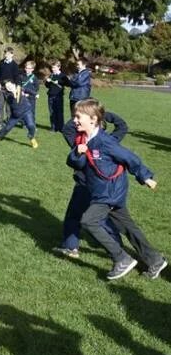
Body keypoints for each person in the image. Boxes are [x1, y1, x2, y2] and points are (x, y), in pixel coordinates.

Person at [69, 98, 167, 280]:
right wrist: (77, 153)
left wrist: (145, 176)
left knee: (89, 221)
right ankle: (155, 260)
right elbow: (73, 162)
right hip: (100, 190)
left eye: (77, 116)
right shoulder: (83, 139)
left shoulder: (105, 142)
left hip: (110, 192)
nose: (74, 120)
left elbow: (130, 158)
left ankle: (121, 258)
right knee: (127, 227)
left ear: (92, 119)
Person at [54, 107, 126, 259]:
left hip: (84, 184)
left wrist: (91, 113)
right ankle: (117, 244)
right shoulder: (110, 141)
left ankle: (70, 247)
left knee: (74, 216)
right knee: (102, 217)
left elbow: (67, 128)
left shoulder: (79, 141)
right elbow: (122, 126)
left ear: (93, 122)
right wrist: (101, 114)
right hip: (104, 186)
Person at [0, 81, 38, 148]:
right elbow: (13, 100)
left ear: (14, 84)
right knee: (7, 128)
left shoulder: (20, 88)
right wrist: (18, 94)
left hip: (26, 111)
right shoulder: (8, 95)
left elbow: (27, 90)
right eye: (7, 87)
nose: (9, 87)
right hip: (16, 114)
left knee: (31, 125)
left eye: (10, 85)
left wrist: (35, 94)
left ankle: (32, 138)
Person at [0, 47, 19, 128]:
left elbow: (16, 78)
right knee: (0, 105)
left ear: (12, 54)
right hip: (1, 88)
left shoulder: (15, 65)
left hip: (10, 88)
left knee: (9, 107)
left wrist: (14, 87)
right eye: (5, 53)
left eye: (8, 53)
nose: (6, 55)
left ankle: (9, 122)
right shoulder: (1, 63)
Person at [45, 60, 68, 132]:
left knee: (59, 112)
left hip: (58, 96)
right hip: (50, 96)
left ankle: (61, 128)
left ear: (59, 67)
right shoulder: (51, 75)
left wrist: (59, 82)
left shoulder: (62, 76)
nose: (53, 69)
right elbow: (47, 86)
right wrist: (47, 82)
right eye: (52, 68)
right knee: (52, 112)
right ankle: (53, 127)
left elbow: (66, 83)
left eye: (54, 68)